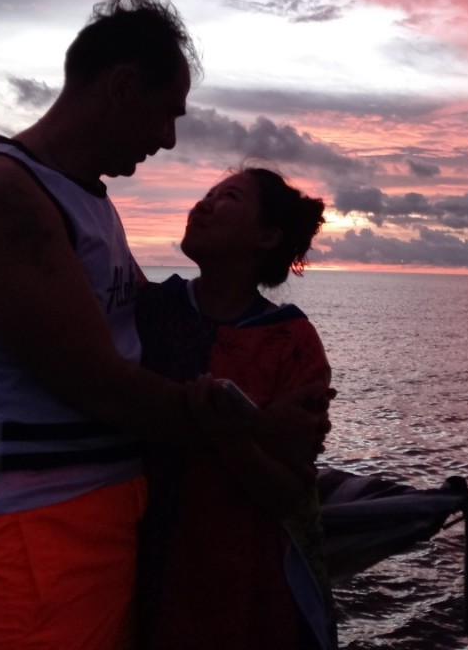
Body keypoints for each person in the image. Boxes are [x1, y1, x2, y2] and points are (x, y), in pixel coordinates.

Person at [0, 0, 324, 650]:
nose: (168, 138)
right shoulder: (1, 193)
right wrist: (253, 426)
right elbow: (99, 384)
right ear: (122, 86)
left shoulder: (87, 206)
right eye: (167, 114)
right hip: (25, 545)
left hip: (95, 534)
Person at [135, 167, 336, 650]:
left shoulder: (292, 341)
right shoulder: (148, 307)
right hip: (134, 556)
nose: (203, 205)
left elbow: (290, 492)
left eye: (228, 197)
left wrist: (232, 438)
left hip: (240, 577)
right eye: (206, 194)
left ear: (266, 236)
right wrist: (255, 427)